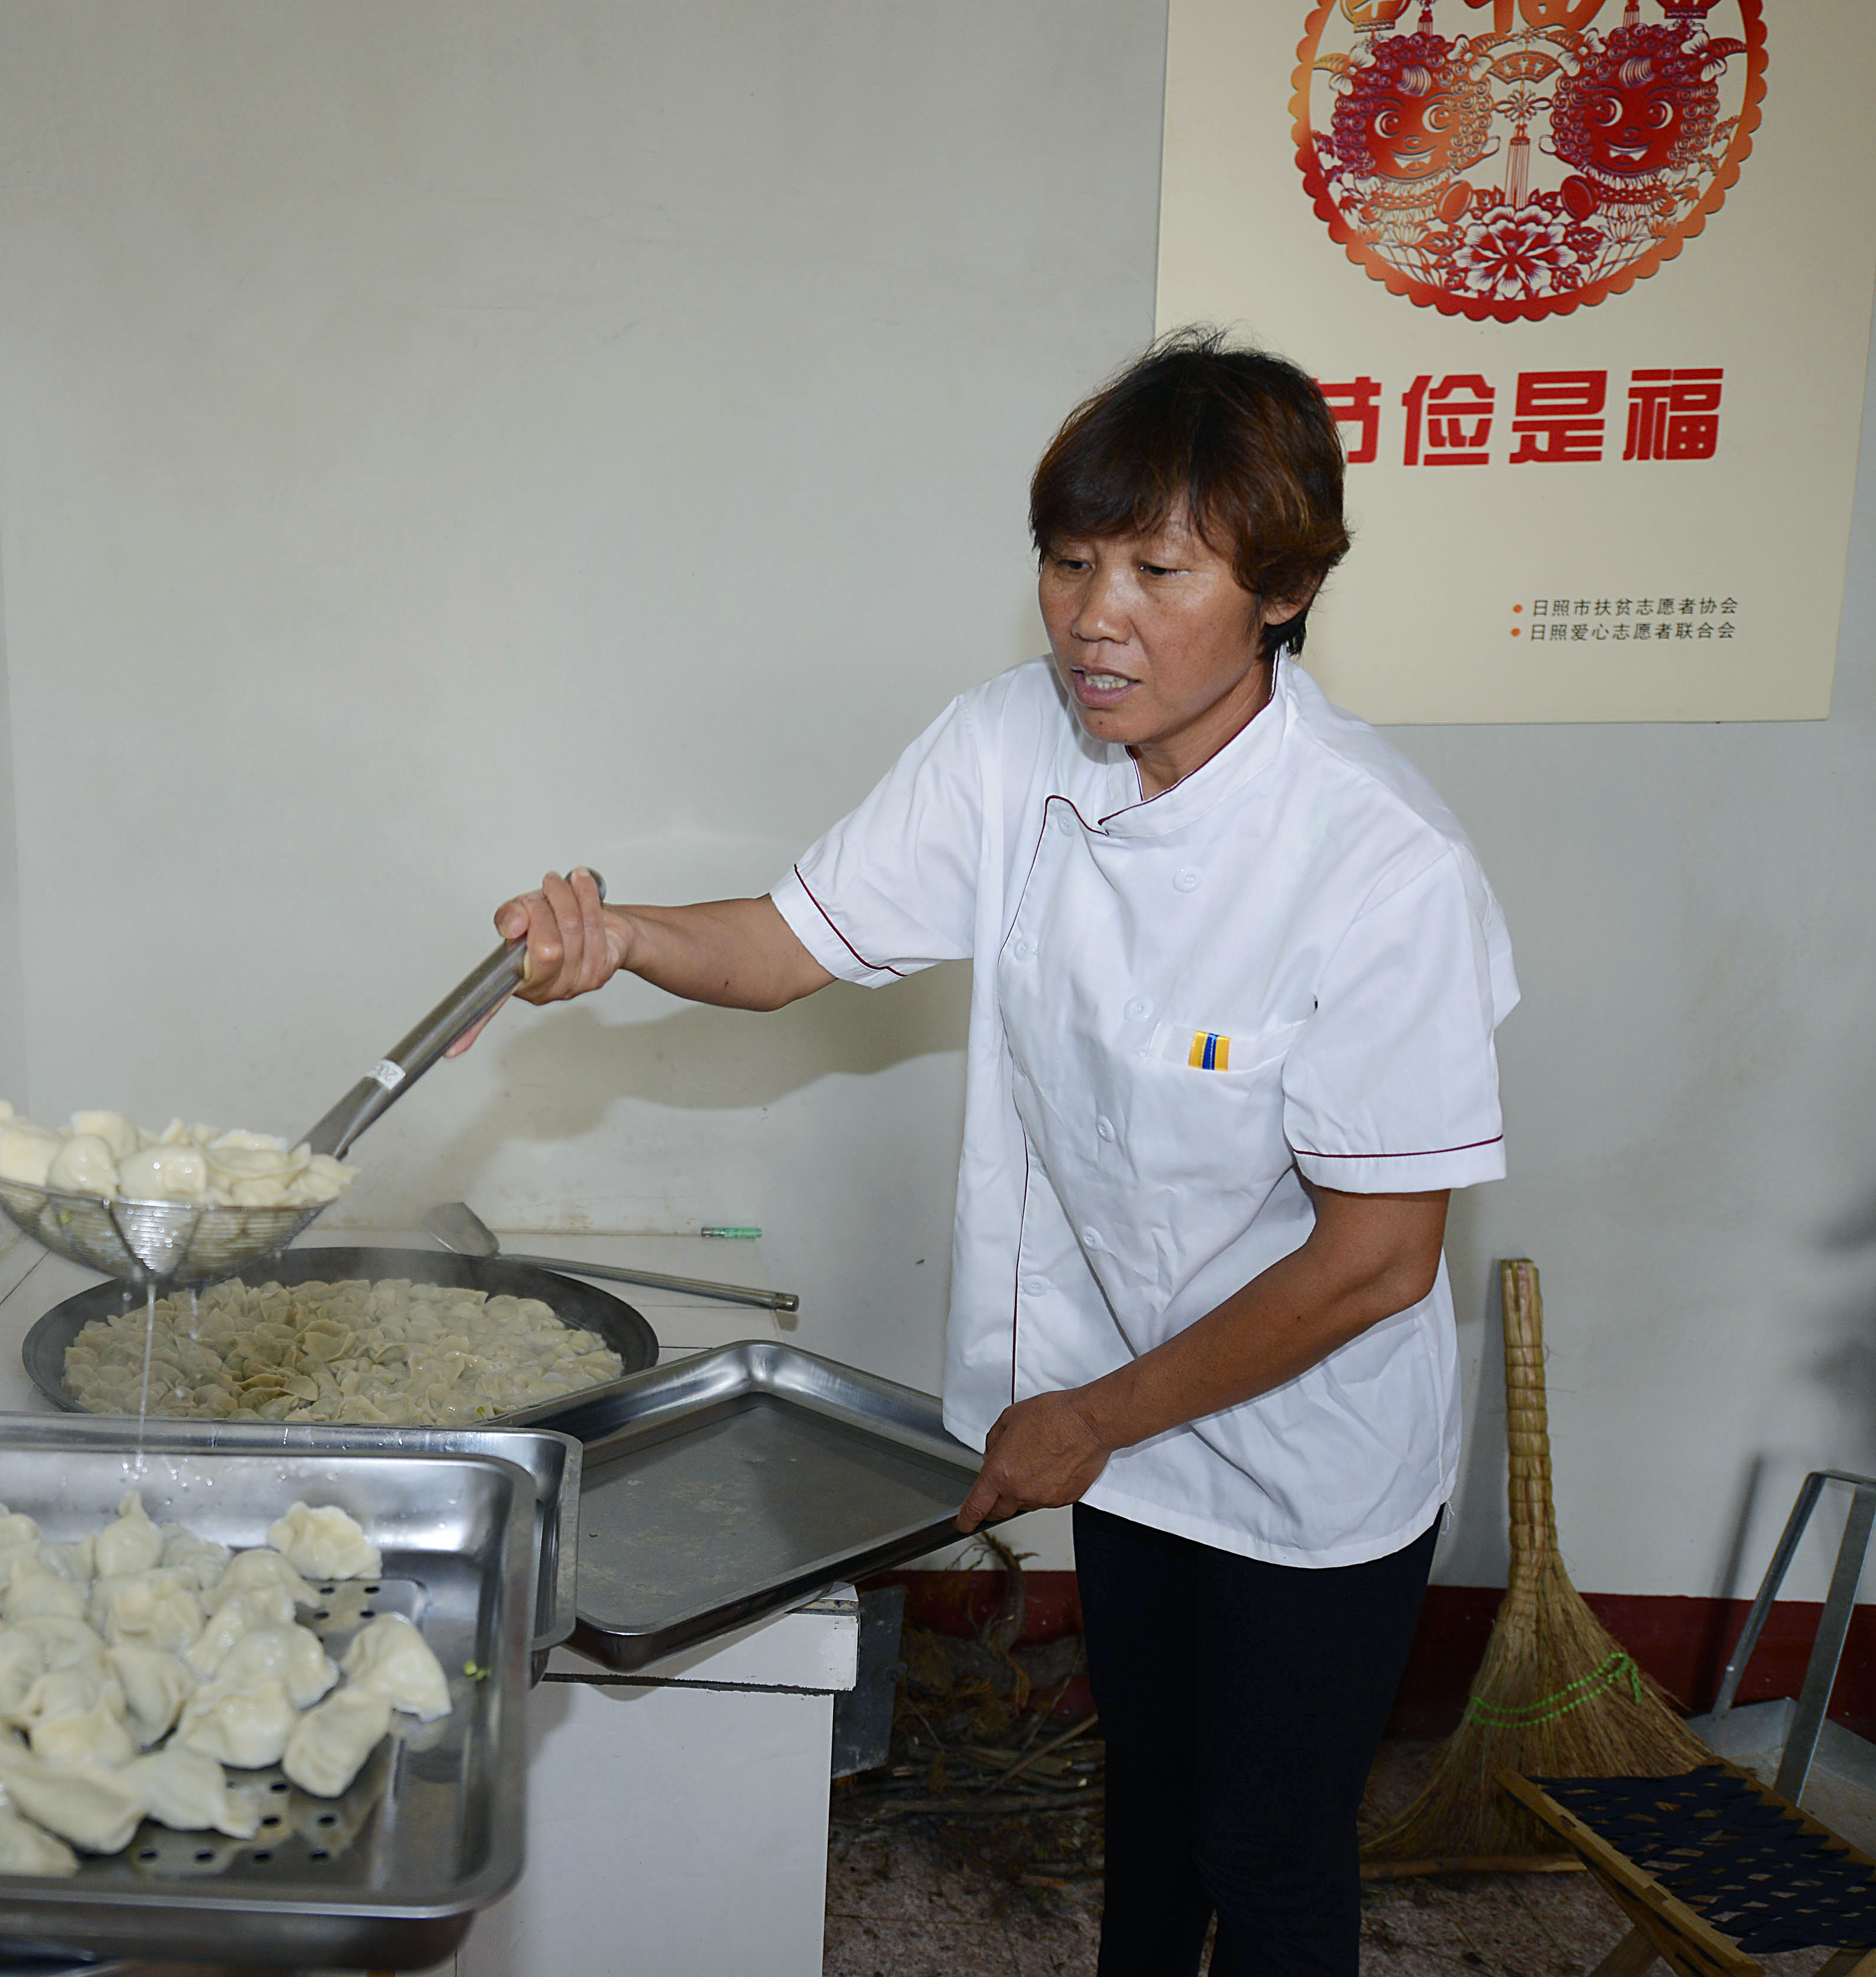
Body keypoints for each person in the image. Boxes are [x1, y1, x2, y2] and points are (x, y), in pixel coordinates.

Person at [472, 329, 1515, 1975]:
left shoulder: (1380, 867)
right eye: (1070, 559)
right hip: (1115, 1413)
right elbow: (789, 940)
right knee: (1153, 1802)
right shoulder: (1005, 745)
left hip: (1302, 1452)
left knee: (1274, 1846)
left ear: (1281, 589)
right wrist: (622, 942)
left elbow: (1378, 1255)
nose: (1095, 614)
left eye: (1157, 568)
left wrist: (1088, 1416)